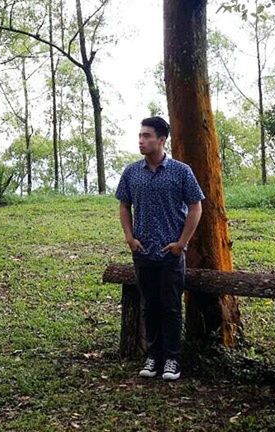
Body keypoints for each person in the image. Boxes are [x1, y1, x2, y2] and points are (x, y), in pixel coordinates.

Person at [115, 116, 204, 381]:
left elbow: (196, 206)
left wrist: (181, 244)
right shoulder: (131, 172)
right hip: (143, 251)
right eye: (140, 136)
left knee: (171, 307)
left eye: (147, 136)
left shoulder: (181, 171)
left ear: (161, 140)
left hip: (170, 253)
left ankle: (172, 360)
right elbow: (123, 205)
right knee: (150, 306)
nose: (141, 141)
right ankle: (153, 356)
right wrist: (130, 238)